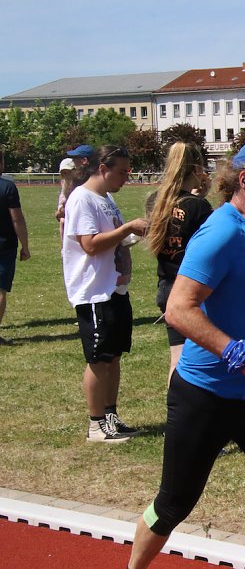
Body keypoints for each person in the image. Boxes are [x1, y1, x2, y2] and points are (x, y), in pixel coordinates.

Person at [128, 136, 245, 569]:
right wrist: (243, 354)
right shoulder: (222, 231)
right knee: (174, 503)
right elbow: (178, 308)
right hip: (204, 394)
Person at [62, 145, 148, 443]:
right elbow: (90, 244)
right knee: (99, 359)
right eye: (122, 172)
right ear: (103, 169)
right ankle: (96, 424)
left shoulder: (106, 199)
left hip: (114, 288)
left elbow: (114, 238)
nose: (127, 178)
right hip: (94, 292)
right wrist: (127, 228)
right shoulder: (82, 199)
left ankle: (110, 416)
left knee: (113, 357)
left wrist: (132, 234)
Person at [146, 142, 212, 384]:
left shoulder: (157, 201)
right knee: (198, 360)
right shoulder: (198, 207)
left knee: (178, 357)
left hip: (166, 285)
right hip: (191, 289)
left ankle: (175, 414)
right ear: (195, 168)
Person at [0, 147, 31, 346]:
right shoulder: (7, 187)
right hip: (5, 246)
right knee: (0, 290)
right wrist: (25, 246)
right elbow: (17, 219)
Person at [55, 157, 78, 243]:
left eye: (67, 172)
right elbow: (62, 197)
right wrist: (60, 207)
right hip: (66, 209)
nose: (65, 175)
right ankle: (64, 247)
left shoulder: (79, 183)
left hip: (75, 209)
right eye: (63, 172)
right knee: (62, 221)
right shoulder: (64, 182)